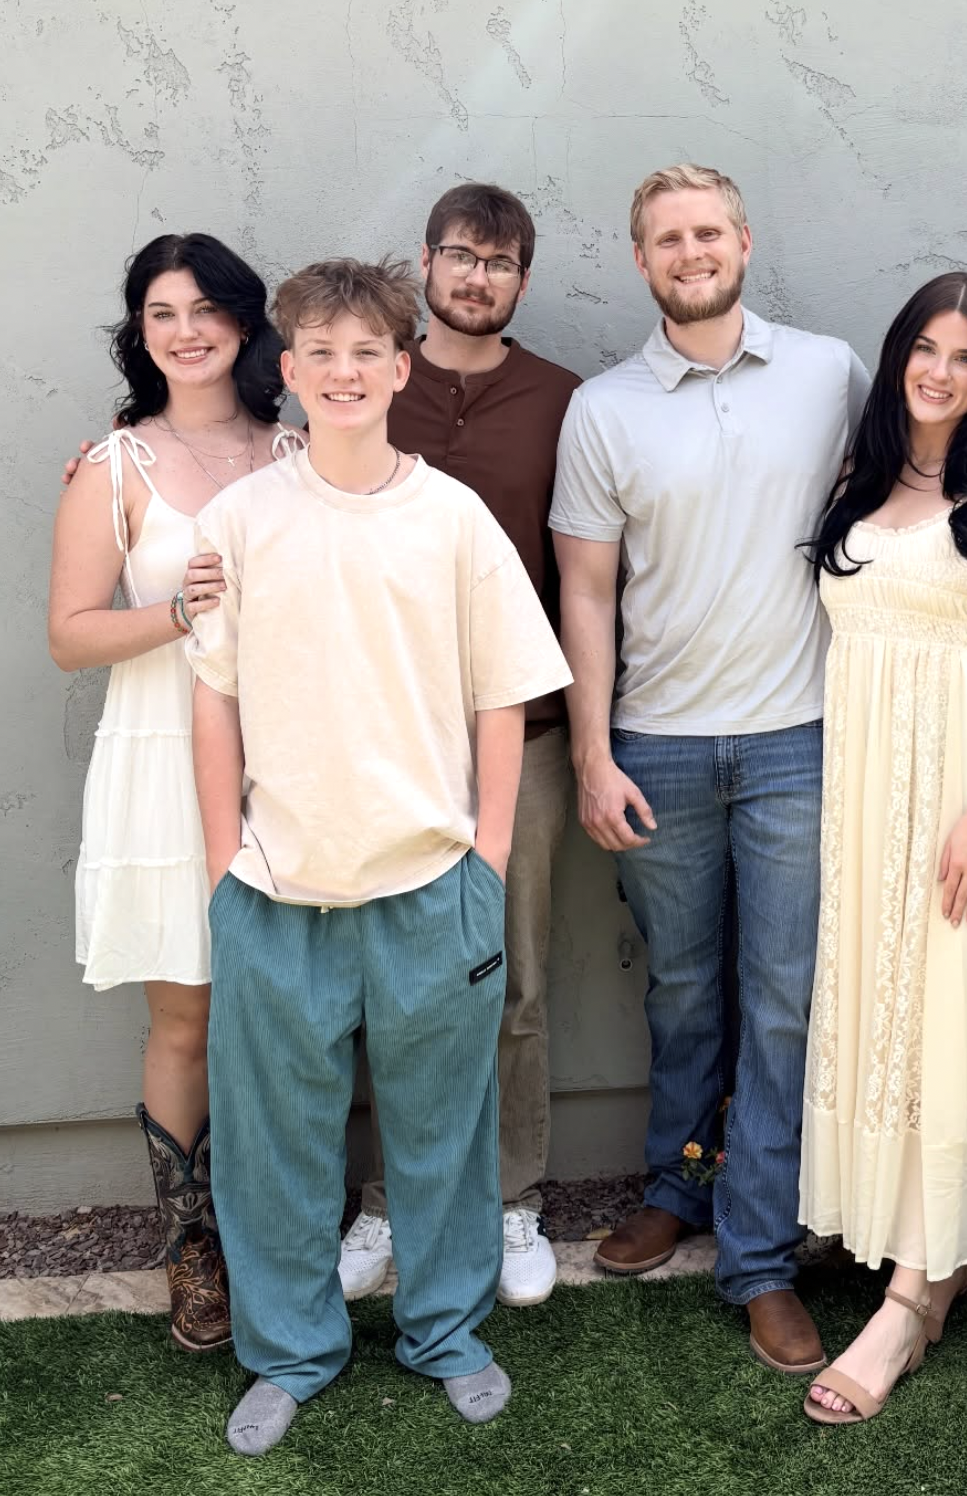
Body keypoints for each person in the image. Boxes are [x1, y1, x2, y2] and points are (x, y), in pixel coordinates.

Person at [187, 258, 571, 1455]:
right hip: (277, 889)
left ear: (401, 369)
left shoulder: (451, 518)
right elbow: (216, 703)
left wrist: (488, 860)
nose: (344, 373)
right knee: (274, 1140)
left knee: (442, 1132)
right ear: (288, 371)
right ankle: (292, 1349)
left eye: (367, 353)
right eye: (320, 353)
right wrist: (220, 866)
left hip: (430, 884)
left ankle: (446, 1329)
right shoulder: (241, 520)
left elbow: (503, 697)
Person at [550, 163, 869, 1375]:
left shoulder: (830, 373)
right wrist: (591, 746)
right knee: (682, 990)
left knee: (780, 1000)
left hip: (798, 738)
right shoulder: (605, 408)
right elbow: (585, 588)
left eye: (707, 232)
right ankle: (677, 1185)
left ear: (744, 239)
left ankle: (760, 1257)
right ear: (641, 261)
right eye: (665, 238)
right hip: (660, 743)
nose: (690, 252)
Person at [799, 272, 967, 1423]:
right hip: (868, 789)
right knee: (886, 1001)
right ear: (898, 352)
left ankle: (917, 1293)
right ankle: (905, 1238)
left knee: (955, 1006)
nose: (941, 370)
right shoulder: (863, 477)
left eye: (966, 355)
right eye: (924, 346)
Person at [47, 232, 300, 1352]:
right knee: (188, 1011)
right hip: (159, 753)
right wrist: (182, 613)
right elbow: (69, 633)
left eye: (206, 307)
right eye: (162, 312)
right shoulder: (114, 464)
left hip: (292, 758)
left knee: (289, 1006)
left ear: (244, 321)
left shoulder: (300, 446)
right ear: (140, 335)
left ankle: (278, 1228)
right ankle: (191, 1244)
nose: (187, 329)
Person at [337, 182, 582, 1310]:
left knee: (513, 972)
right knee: (388, 977)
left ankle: (511, 1194)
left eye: (500, 261)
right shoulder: (368, 380)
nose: (477, 276)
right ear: (425, 263)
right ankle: (384, 1200)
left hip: (520, 733)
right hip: (383, 734)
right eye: (460, 254)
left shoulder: (560, 400)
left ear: (522, 281)